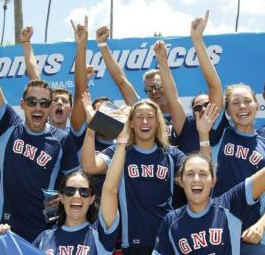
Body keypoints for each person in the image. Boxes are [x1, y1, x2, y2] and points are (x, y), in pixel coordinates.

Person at [0, 5, 80, 242]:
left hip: (45, 233)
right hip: (6, 228)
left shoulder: (62, 140)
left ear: (50, 107)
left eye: (44, 103)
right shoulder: (8, 126)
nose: (38, 107)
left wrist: (59, 212)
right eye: (32, 101)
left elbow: (71, 185)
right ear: (22, 104)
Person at [81, 97, 218, 254]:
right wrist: (91, 127)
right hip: (134, 242)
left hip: (169, 239)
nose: (145, 121)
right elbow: (89, 166)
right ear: (131, 123)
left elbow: (202, 172)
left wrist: (203, 135)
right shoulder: (120, 152)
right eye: (139, 117)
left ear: (158, 122)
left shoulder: (171, 154)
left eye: (150, 117)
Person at [0, 107, 128, 253]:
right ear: (60, 197)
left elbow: (110, 189)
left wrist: (121, 142)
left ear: (92, 198)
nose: (76, 195)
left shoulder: (100, 235)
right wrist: (2, 239)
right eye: (69, 190)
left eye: (84, 192)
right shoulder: (43, 238)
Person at [152, 154, 265, 255]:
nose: (196, 179)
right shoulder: (171, 221)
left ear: (213, 181)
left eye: (203, 174)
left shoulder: (230, 204)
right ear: (180, 181)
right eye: (190, 174)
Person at [155, 10, 225, 155]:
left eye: (207, 104)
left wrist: (197, 39)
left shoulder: (217, 123)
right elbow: (172, 99)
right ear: (193, 113)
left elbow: (214, 85)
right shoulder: (186, 127)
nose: (203, 110)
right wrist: (162, 61)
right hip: (187, 177)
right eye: (197, 108)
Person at [210, 83, 265, 253]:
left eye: (247, 101)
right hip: (217, 229)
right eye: (235, 102)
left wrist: (261, 225)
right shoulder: (219, 134)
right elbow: (213, 84)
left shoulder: (263, 144)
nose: (242, 106)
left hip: (250, 233)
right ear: (226, 111)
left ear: (256, 105)